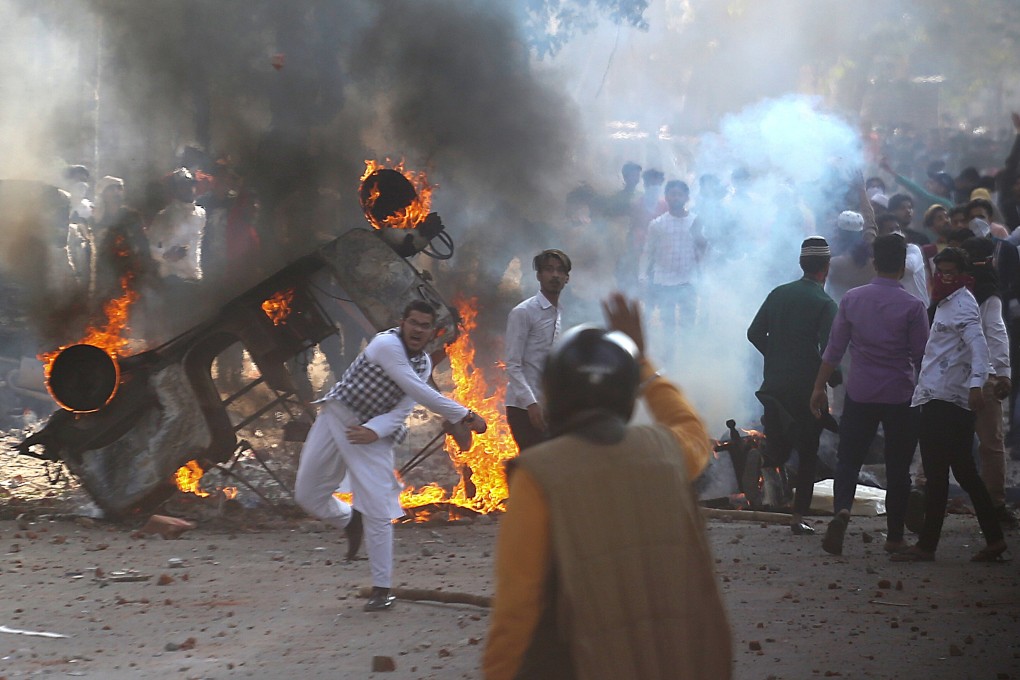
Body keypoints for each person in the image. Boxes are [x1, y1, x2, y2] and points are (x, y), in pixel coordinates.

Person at [484, 293, 731, 680]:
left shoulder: (538, 473)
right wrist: (643, 363)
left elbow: (517, 611)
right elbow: (693, 430)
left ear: (556, 394)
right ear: (626, 393)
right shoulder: (666, 453)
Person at [294, 300, 487, 612]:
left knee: (379, 506)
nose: (418, 330)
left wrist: (373, 430)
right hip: (337, 417)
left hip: (373, 435)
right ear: (403, 322)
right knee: (307, 494)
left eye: (425, 326)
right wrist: (466, 414)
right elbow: (418, 390)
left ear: (432, 332)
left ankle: (382, 589)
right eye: (413, 323)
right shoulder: (386, 344)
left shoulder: (423, 363)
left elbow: (402, 409)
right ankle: (348, 520)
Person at [810, 234, 929, 556]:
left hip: (860, 393)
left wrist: (819, 387)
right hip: (900, 395)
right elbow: (922, 358)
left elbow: (833, 351)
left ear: (875, 263)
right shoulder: (913, 306)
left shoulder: (852, 299)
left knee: (848, 461)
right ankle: (894, 537)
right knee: (898, 467)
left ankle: (842, 511)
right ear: (903, 265)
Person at [892, 248, 1009, 562]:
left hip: (946, 398)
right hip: (938, 394)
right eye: (941, 271)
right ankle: (994, 539)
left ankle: (927, 545)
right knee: (964, 472)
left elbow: (980, 346)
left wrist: (975, 387)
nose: (945, 276)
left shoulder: (963, 304)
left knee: (937, 471)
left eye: (950, 271)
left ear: (962, 273)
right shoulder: (945, 302)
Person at [748, 237, 838, 534]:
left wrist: (777, 356)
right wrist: (829, 379)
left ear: (802, 264)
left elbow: (754, 333)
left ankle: (765, 494)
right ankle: (798, 517)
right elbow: (830, 352)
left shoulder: (778, 293)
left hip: (774, 384)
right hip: (806, 389)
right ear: (826, 267)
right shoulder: (825, 303)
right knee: (808, 451)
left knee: (777, 445)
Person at [958, 238, 1017, 527]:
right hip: (983, 378)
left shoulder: (950, 292)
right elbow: (996, 333)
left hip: (953, 377)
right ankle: (995, 504)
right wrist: (1003, 372)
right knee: (991, 443)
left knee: (942, 440)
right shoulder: (988, 294)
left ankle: (927, 490)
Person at [504, 249, 571, 451]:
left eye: (560, 271)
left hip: (547, 406)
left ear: (567, 278)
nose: (555, 275)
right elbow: (512, 365)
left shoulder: (558, 314)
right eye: (549, 270)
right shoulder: (523, 312)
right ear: (539, 275)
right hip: (523, 408)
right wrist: (531, 404)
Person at [637, 180, 706, 361]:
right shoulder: (657, 224)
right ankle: (669, 360)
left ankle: (687, 360)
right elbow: (648, 252)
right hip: (664, 281)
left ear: (686, 198)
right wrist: (642, 275)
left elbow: (700, 251)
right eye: (672, 194)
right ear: (666, 197)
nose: (676, 198)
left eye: (680, 194)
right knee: (667, 324)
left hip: (687, 280)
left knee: (687, 325)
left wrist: (703, 277)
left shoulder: (695, 221)